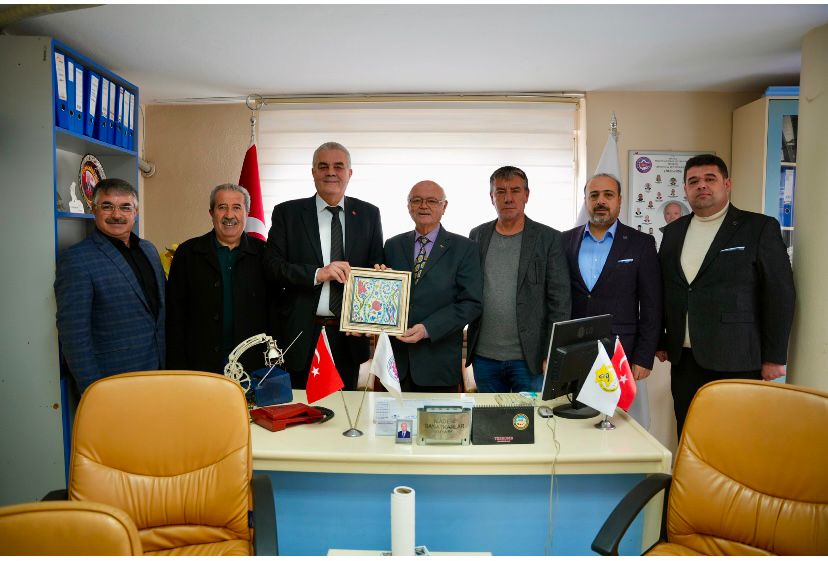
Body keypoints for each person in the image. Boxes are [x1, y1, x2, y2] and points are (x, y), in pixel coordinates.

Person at [657, 154, 795, 435]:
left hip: (737, 358)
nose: (701, 185)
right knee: (690, 434)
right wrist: (660, 339)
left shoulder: (758, 227)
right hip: (685, 359)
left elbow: (780, 293)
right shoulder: (673, 232)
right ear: (685, 189)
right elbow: (665, 289)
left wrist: (775, 356)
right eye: (693, 181)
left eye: (710, 179)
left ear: (727, 184)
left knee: (736, 438)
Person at [263, 142, 383, 390]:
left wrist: (370, 310)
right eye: (323, 166)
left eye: (338, 166)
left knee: (345, 410)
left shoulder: (369, 214)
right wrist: (318, 274)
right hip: (300, 334)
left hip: (348, 338)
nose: (331, 172)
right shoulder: (288, 213)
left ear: (349, 173)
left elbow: (374, 269)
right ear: (313, 172)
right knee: (300, 409)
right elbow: (272, 267)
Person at [562, 174, 662, 427]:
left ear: (619, 200)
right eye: (594, 195)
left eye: (608, 195)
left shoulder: (641, 244)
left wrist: (644, 356)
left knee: (616, 426)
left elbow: (651, 305)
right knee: (575, 423)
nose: (601, 201)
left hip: (621, 351)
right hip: (574, 349)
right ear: (585, 200)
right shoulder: (564, 241)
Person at [55, 178, 165, 393]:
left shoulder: (149, 250)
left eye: (125, 207)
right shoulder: (77, 259)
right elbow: (74, 335)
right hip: (112, 380)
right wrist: (93, 389)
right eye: (107, 206)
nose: (116, 215)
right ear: (93, 209)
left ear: (135, 212)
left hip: (158, 369)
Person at [466, 166, 571, 393]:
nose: (508, 198)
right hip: (484, 357)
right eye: (500, 191)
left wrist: (552, 352)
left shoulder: (549, 238)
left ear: (526, 195)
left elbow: (560, 302)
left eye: (515, 190)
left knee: (530, 416)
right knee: (490, 416)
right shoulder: (477, 235)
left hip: (530, 359)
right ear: (491, 197)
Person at [384, 180, 483, 392]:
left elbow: (471, 303)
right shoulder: (392, 245)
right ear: (408, 206)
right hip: (396, 365)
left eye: (431, 201)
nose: (423, 206)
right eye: (416, 200)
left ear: (444, 206)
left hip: (438, 364)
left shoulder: (465, 248)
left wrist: (428, 328)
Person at [166, 183, 273, 374]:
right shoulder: (188, 253)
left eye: (236, 208)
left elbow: (274, 312)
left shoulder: (265, 254)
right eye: (222, 207)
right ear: (211, 213)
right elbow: (174, 316)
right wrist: (178, 368)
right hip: (199, 365)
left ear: (247, 213)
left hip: (252, 365)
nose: (229, 215)